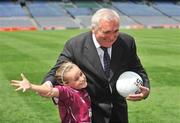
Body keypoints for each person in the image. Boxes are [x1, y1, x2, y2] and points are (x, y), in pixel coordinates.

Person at [42, 8, 150, 123]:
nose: (112, 37)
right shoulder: (75, 45)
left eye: (116, 31)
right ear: (93, 29)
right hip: (90, 114)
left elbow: (137, 68)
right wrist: (47, 84)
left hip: (119, 114)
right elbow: (58, 69)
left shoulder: (127, 42)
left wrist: (146, 88)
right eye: (106, 32)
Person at [11, 61, 92, 123]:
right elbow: (51, 91)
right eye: (76, 78)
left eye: (81, 74)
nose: (82, 78)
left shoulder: (81, 89)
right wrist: (31, 86)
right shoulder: (68, 92)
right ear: (66, 83)